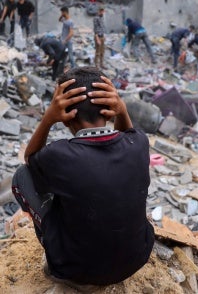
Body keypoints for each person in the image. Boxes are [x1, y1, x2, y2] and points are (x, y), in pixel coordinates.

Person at [12, 67, 154, 290]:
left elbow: (29, 160)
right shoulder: (140, 144)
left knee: (22, 176)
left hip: (73, 269)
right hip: (134, 260)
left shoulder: (58, 155)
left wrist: (48, 119)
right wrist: (122, 112)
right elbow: (130, 136)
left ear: (66, 117)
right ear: (110, 110)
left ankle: (54, 246)